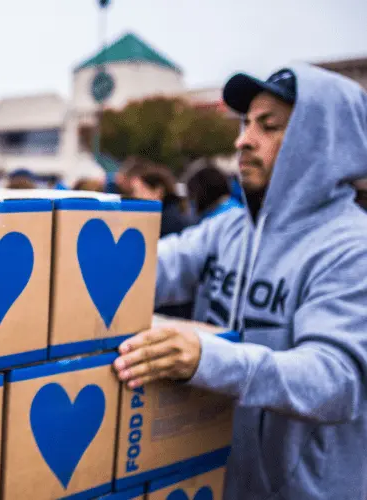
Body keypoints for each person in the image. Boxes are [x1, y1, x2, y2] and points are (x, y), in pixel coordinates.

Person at [111, 65, 367, 499]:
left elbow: (337, 381)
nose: (242, 140)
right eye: (246, 123)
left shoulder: (352, 246)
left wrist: (209, 358)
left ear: (322, 142)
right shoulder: (229, 229)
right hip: (219, 482)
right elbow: (148, 271)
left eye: (268, 126)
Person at [127, 165, 195, 237]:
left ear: (158, 191)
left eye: (140, 190)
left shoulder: (166, 220)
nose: (135, 196)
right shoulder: (174, 209)